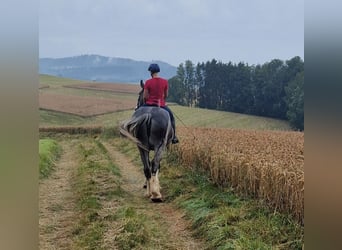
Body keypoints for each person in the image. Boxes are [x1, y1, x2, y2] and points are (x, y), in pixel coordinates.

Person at [143, 63, 179, 144]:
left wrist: (147, 102)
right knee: (172, 118)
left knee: (137, 111)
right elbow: (166, 95)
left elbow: (145, 96)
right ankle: (174, 137)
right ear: (158, 72)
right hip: (161, 105)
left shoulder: (148, 82)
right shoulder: (165, 82)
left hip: (149, 104)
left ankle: (132, 131)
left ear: (151, 72)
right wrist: (162, 100)